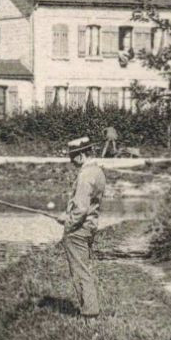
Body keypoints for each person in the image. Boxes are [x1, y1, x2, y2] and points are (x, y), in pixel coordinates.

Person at [61, 136, 107, 318]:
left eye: (72, 157)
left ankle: (90, 314)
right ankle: (89, 311)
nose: (71, 161)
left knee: (80, 272)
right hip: (89, 226)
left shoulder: (85, 175)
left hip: (78, 231)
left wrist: (68, 223)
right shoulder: (98, 172)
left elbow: (80, 208)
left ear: (81, 155)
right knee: (84, 269)